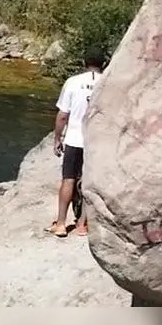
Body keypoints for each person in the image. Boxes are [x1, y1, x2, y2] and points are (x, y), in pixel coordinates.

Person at [47, 48, 105, 238]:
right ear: (104, 64)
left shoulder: (73, 82)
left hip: (74, 138)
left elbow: (63, 115)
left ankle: (61, 224)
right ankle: (82, 224)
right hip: (96, 141)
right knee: (88, 182)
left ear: (83, 63)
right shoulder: (107, 83)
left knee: (68, 179)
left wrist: (57, 138)